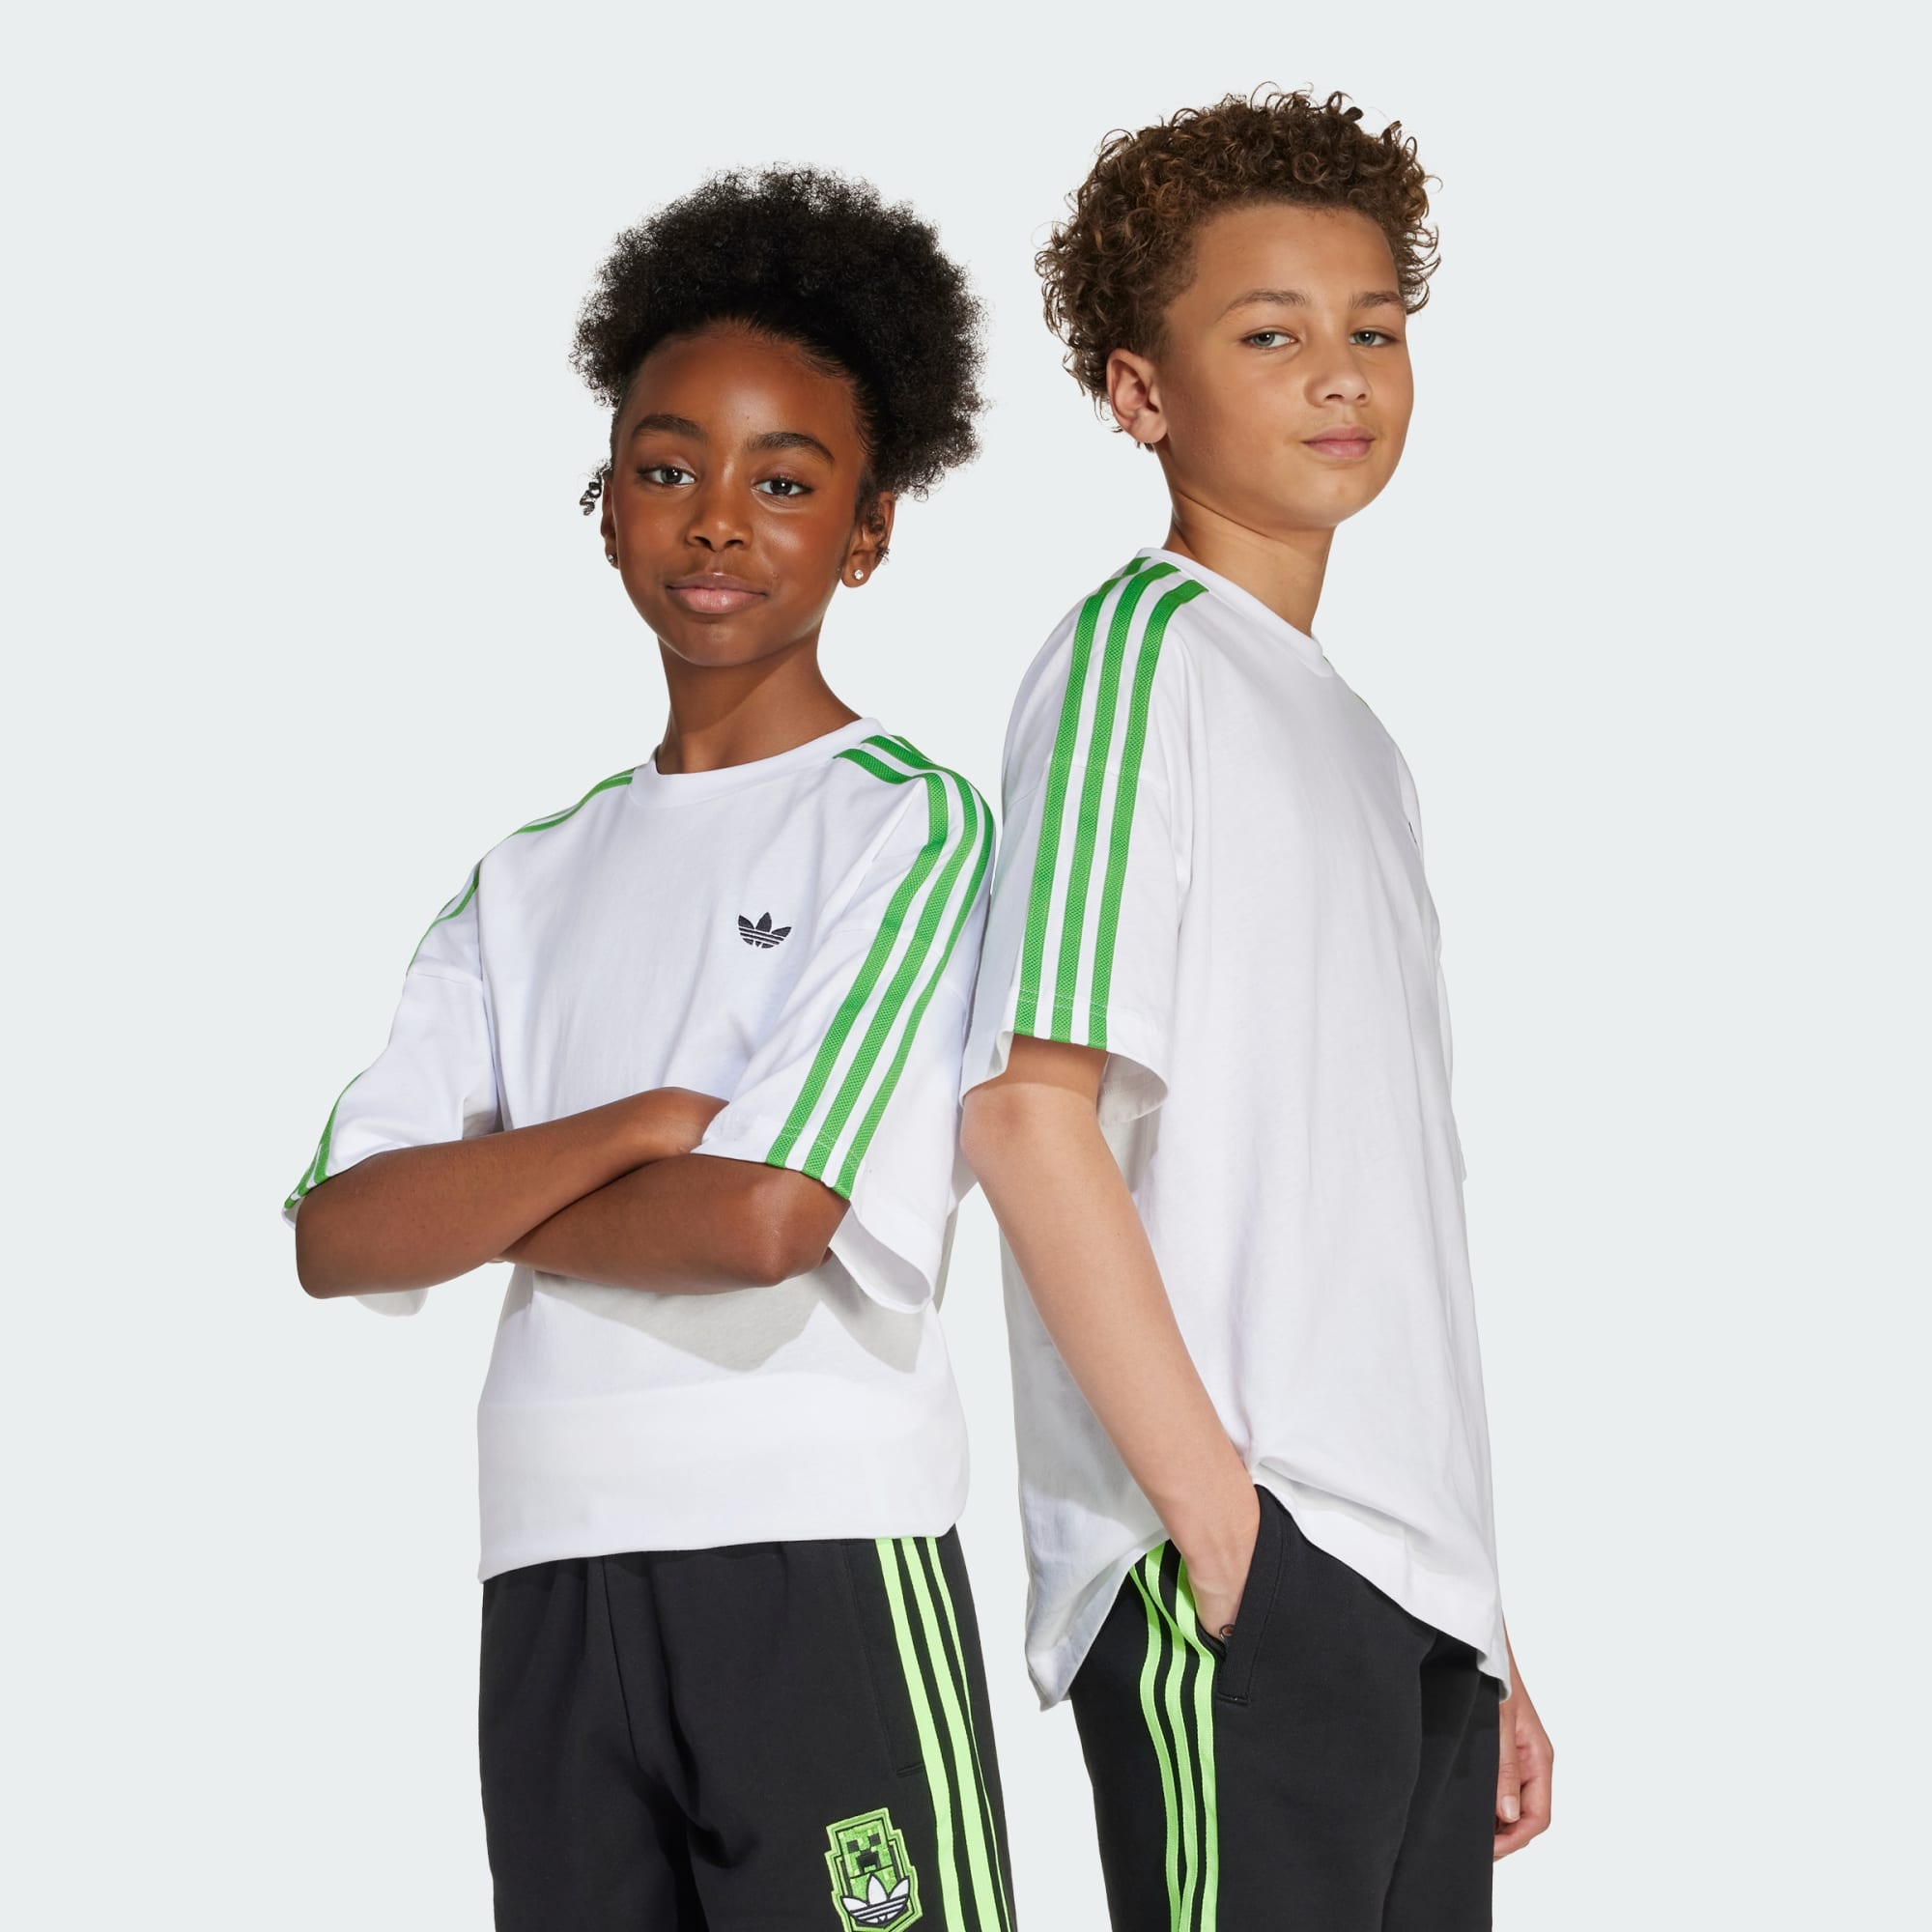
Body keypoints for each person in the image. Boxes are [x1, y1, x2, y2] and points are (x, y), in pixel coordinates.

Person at [284, 167, 1015, 1932]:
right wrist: (636, 1124)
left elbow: (766, 1219)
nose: (717, 522)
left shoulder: (902, 823)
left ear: (870, 530)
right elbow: (338, 1234)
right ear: (604, 503)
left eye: (787, 481)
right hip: (550, 1567)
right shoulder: (525, 879)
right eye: (669, 468)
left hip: (813, 1545)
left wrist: (489, 1206)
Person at [959, 90, 1552, 1929]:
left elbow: (1368, 1231)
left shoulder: (1356, 741)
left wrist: (1484, 1621)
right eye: (1271, 335)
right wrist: (1224, 1536)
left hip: (1404, 1594)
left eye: (1374, 327)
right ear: (1141, 393)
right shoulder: (1139, 661)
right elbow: (1027, 1114)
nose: (1342, 375)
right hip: (1245, 1577)